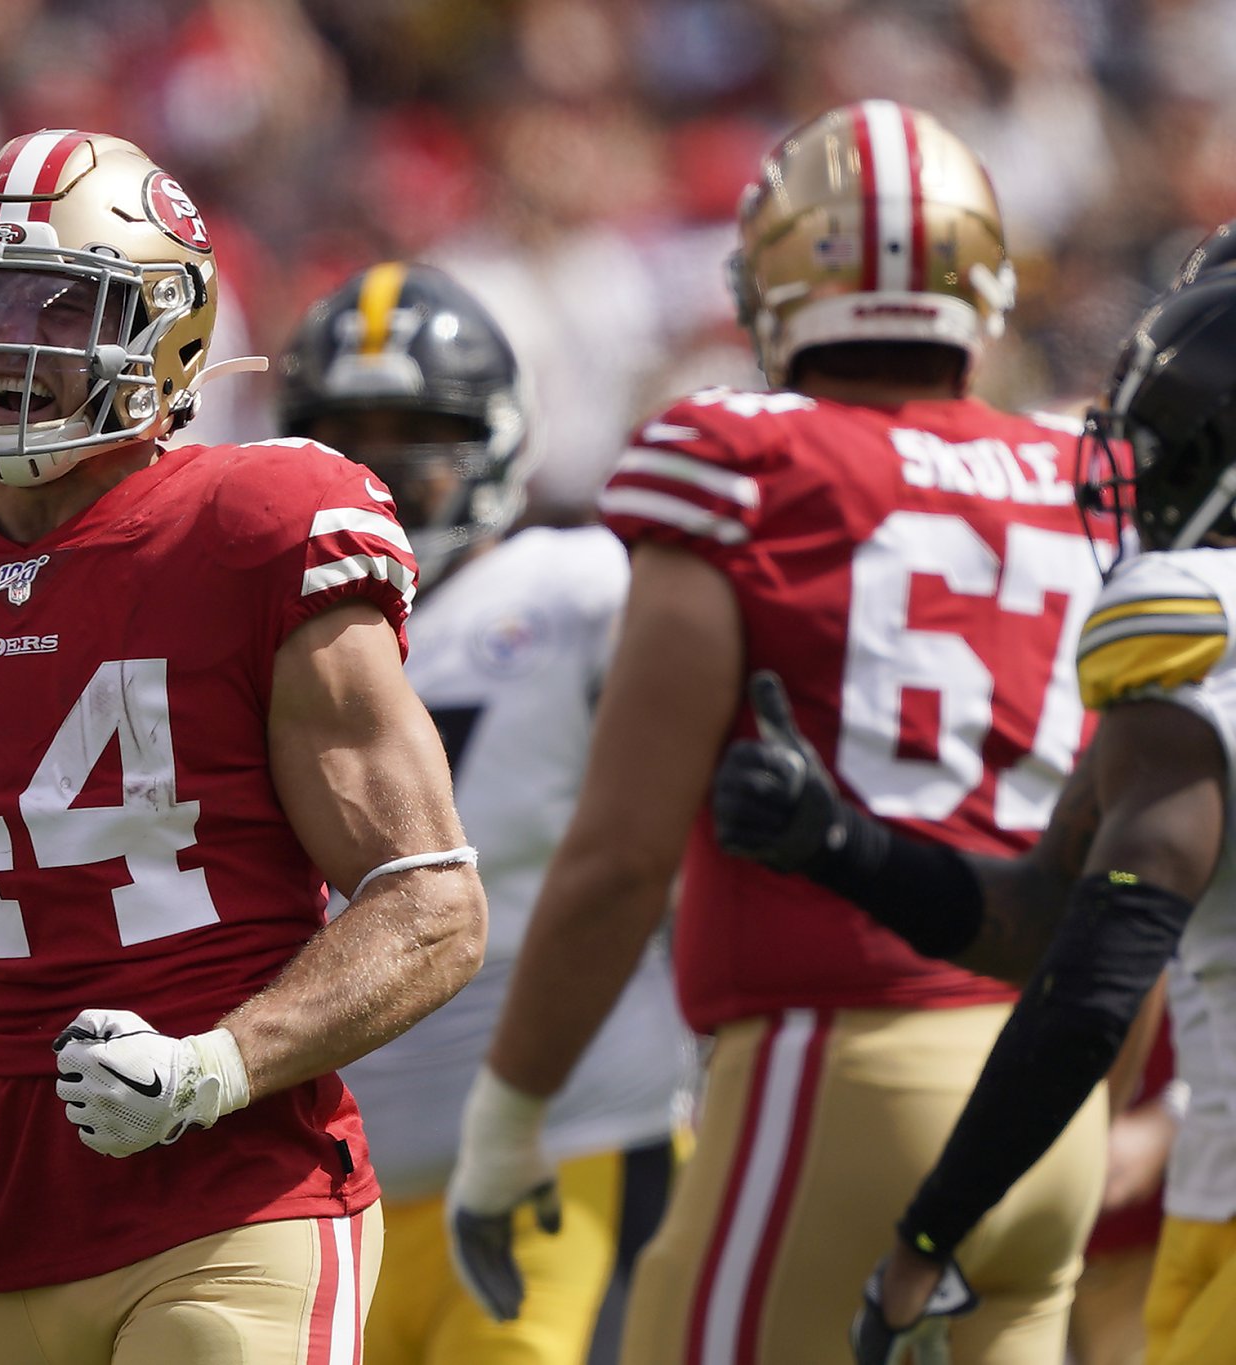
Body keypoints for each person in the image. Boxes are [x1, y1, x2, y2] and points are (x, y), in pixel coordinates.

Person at [0, 129, 488, 1365]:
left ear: (169, 333)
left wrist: (217, 1065)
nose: (6, 344)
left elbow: (430, 904)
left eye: (56, 304)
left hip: (235, 1201)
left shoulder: (253, 530)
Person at [446, 100, 1115, 1364]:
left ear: (772, 274)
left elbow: (621, 854)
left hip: (843, 1068)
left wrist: (507, 1114)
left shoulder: (736, 458)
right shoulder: (1071, 476)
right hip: (1053, 1082)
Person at [707, 267, 1236, 1364]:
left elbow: (1086, 990)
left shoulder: (1191, 636)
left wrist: (927, 1236)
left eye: (1159, 449)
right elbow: (1044, 915)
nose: (1127, 485)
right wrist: (840, 846)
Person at [276, 261, 694, 1365]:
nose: (379, 467)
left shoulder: (575, 590)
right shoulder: (269, 635)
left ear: (497, 438)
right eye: (345, 431)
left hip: (570, 1155)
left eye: (417, 428)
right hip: (330, 1199)